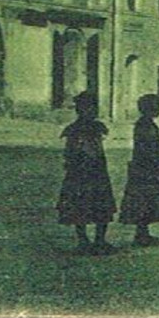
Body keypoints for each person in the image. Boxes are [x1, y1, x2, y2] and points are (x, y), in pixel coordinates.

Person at [56, 91, 116, 254]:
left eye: (93, 108)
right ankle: (83, 240)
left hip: (97, 171)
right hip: (80, 173)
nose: (91, 112)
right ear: (79, 110)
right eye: (87, 108)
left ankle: (100, 240)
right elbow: (69, 152)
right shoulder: (73, 130)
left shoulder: (97, 127)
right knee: (78, 206)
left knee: (101, 206)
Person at [117, 93, 159, 247]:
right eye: (156, 107)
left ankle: (143, 232)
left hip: (145, 166)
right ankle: (141, 234)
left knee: (147, 200)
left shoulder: (147, 124)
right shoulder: (144, 125)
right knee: (144, 200)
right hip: (146, 168)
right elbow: (148, 147)